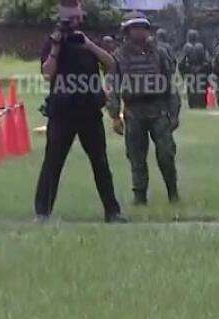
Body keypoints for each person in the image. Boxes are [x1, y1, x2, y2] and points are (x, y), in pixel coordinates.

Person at [34, 8, 124, 224]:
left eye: (76, 17)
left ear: (82, 17)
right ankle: (43, 213)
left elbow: (111, 64)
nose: (73, 22)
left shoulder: (87, 41)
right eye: (69, 18)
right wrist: (56, 47)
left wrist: (90, 46)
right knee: (53, 163)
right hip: (63, 112)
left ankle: (112, 212)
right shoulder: (53, 43)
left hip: (89, 112)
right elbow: (47, 74)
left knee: (100, 163)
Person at [108, 13, 181, 206]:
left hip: (158, 110)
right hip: (134, 112)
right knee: (136, 156)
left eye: (143, 27)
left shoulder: (160, 53)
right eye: (135, 28)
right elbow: (113, 86)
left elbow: (170, 84)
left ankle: (173, 193)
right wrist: (115, 115)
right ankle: (140, 197)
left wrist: (174, 113)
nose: (140, 32)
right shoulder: (119, 56)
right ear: (127, 31)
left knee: (166, 153)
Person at [179, 30, 209, 110]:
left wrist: (183, 72)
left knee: (192, 90)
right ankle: (202, 105)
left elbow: (182, 61)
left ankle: (193, 105)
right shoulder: (201, 47)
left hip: (191, 71)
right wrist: (205, 70)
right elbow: (207, 61)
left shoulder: (187, 47)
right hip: (201, 71)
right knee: (201, 89)